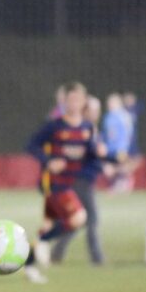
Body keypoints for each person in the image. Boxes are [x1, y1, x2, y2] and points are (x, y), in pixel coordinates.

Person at [25, 82, 108, 282]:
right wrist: (48, 161)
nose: (74, 103)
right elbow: (31, 145)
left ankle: (30, 263)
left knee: (51, 225)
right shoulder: (55, 126)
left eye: (78, 100)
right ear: (65, 102)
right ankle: (42, 245)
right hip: (52, 182)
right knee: (79, 217)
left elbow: (91, 157)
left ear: (83, 102)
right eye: (70, 99)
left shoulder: (87, 128)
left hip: (70, 183)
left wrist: (102, 157)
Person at [50, 95, 105, 265]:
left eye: (98, 110)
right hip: (79, 180)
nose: (96, 114)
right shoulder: (82, 130)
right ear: (85, 110)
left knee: (78, 219)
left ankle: (56, 253)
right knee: (92, 219)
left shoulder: (89, 128)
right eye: (93, 110)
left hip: (84, 180)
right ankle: (97, 259)